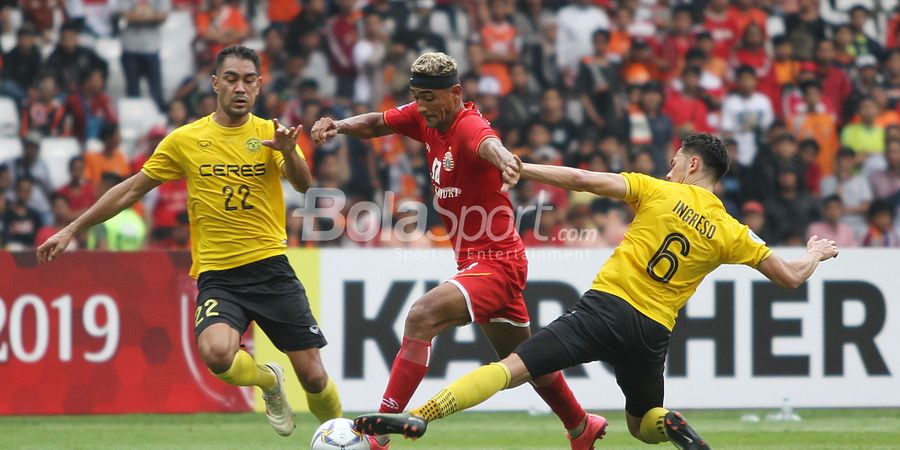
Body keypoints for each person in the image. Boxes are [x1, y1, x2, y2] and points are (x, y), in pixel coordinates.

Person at [353, 133, 840, 450]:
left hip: (603, 310)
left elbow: (583, 180)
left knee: (510, 368)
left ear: (692, 165)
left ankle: (419, 416)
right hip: (652, 332)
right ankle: (670, 422)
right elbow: (790, 277)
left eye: (674, 164)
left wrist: (524, 169)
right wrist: (815, 253)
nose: (669, 171)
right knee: (641, 423)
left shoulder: (660, 191)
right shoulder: (735, 231)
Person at [36, 45, 341, 437]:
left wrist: (291, 154)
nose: (240, 87)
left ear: (260, 86)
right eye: (231, 79)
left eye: (249, 80)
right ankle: (268, 381)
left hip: (270, 268)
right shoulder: (185, 140)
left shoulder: (271, 134)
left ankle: (346, 436)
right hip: (219, 275)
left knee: (314, 378)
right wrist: (71, 228)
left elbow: (302, 183)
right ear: (215, 83)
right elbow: (131, 190)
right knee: (216, 354)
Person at [310, 52, 597, 450]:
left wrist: (508, 164)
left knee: (421, 316)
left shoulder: (468, 127)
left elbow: (490, 144)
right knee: (527, 361)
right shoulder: (425, 117)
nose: (421, 106)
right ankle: (581, 426)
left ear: (456, 92)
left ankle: (377, 436)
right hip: (475, 260)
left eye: (429, 97)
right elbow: (377, 122)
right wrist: (337, 125)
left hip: (497, 262)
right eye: (416, 96)